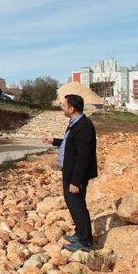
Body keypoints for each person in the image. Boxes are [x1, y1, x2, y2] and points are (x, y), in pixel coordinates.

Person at [43, 94, 98, 252]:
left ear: (71, 108)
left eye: (63, 105)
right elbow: (70, 145)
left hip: (76, 174)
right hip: (70, 171)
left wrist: (76, 181)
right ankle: (80, 233)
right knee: (72, 203)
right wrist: (54, 141)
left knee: (78, 205)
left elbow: (83, 156)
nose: (62, 107)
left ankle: (86, 242)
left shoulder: (84, 126)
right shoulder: (75, 123)